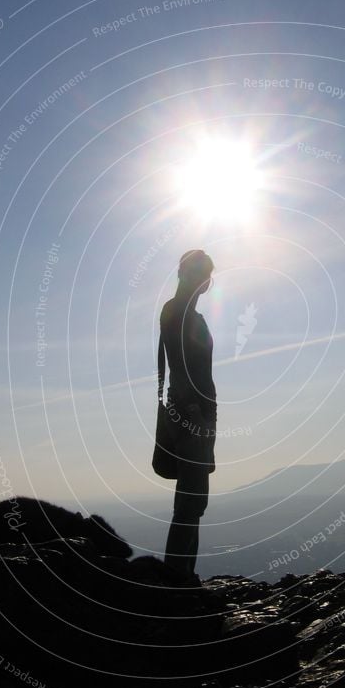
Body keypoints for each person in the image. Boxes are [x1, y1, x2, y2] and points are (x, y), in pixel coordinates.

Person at [161, 249, 217, 581]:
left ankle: (184, 578)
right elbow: (179, 367)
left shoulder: (190, 315)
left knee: (195, 500)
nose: (202, 280)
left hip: (198, 412)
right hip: (190, 412)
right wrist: (195, 413)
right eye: (196, 273)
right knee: (189, 500)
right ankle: (176, 580)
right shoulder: (177, 311)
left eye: (205, 275)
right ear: (182, 274)